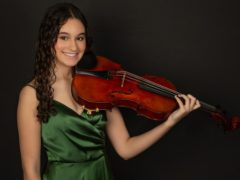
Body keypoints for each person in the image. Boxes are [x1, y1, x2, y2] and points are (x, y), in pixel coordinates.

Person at [17, 2, 201, 180]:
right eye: (64, 37)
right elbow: (31, 172)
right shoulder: (31, 94)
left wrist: (170, 121)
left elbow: (126, 148)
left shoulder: (97, 84)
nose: (73, 47)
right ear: (48, 40)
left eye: (79, 38)